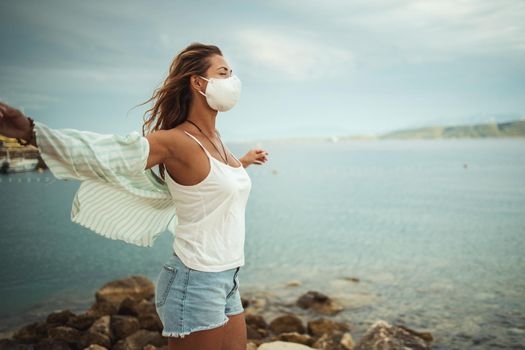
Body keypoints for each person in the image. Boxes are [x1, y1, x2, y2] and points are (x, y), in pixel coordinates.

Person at [0, 42, 269, 350]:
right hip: (196, 283)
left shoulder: (216, 140)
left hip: (228, 278)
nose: (232, 81)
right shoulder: (175, 142)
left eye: (232, 73)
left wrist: (244, 162)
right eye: (223, 73)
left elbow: (213, 184)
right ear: (198, 82)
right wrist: (30, 131)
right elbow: (105, 152)